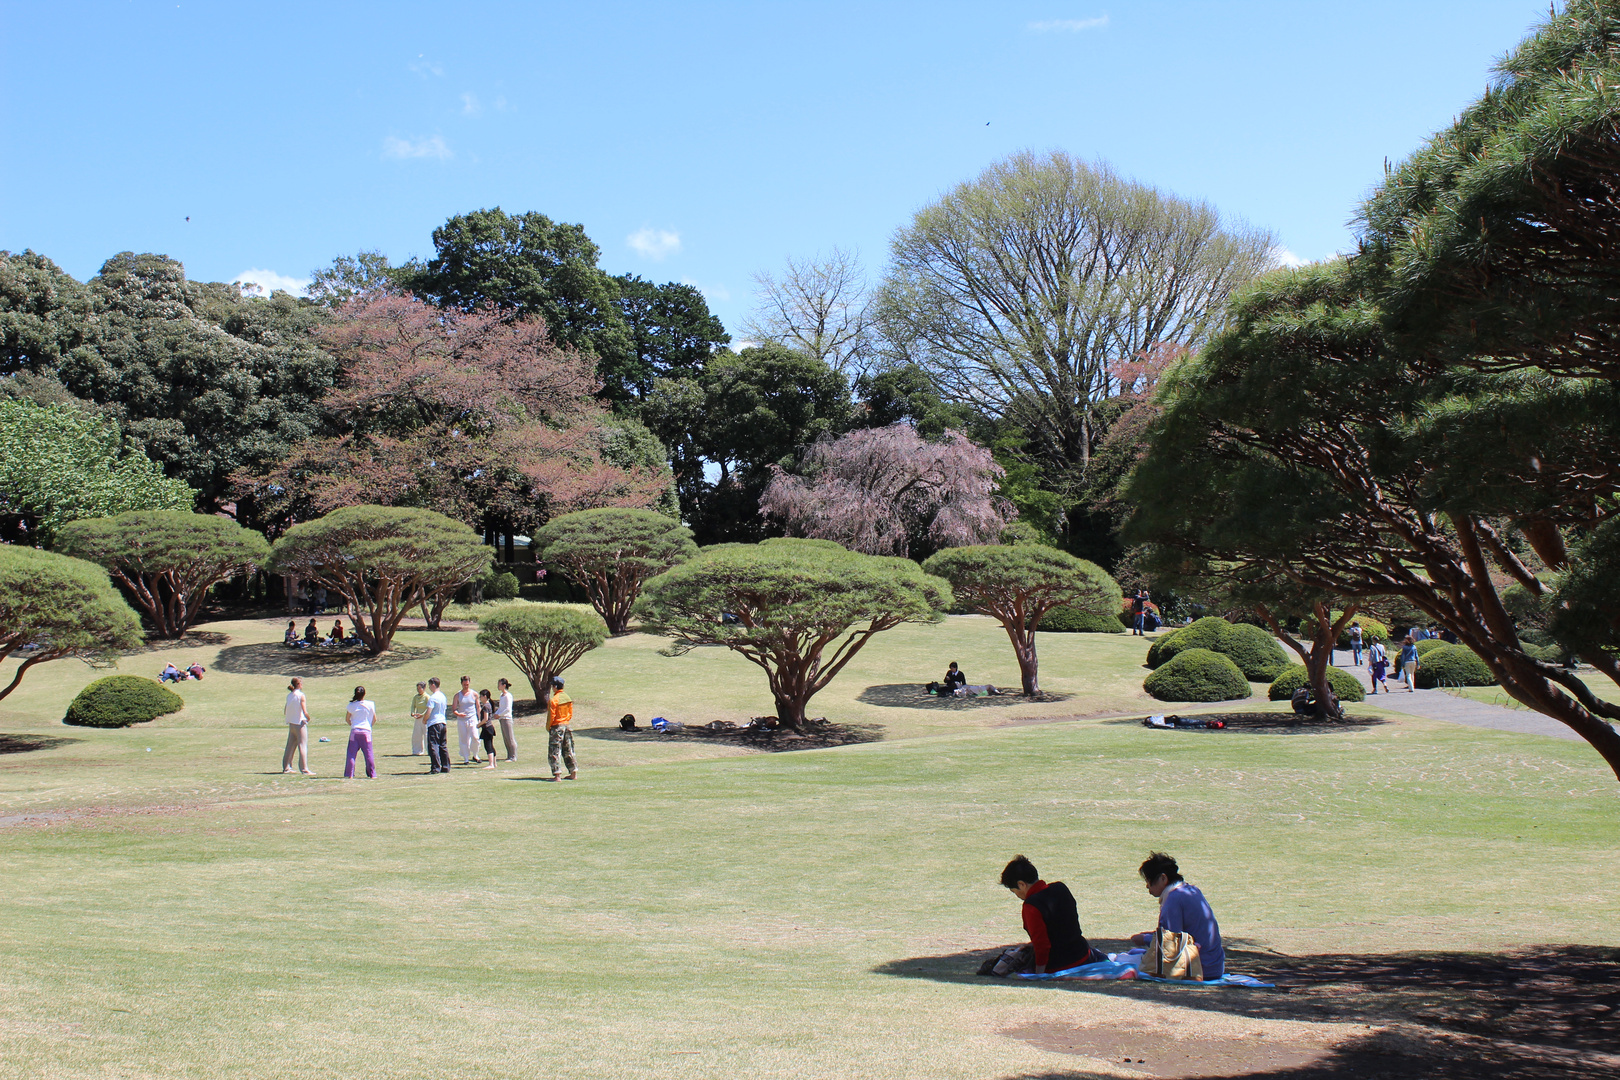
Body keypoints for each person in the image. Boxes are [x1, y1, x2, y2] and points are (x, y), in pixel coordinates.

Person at [994, 855, 1104, 975]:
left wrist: (1039, 973)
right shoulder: (1061, 888)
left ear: (1021, 885)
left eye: (1014, 892)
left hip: (1060, 964)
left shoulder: (1031, 906)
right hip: (1083, 955)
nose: (1017, 896)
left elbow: (1042, 944)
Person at [1130, 852, 1225, 981]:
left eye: (1149, 881)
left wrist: (1144, 939)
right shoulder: (1191, 890)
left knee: (1130, 961)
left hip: (1199, 969)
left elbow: (1170, 942)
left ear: (1163, 878)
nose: (1147, 886)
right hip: (1215, 967)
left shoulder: (1174, 898)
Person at [343, 685, 378, 780]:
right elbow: (374, 718)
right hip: (366, 731)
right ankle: (372, 774)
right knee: (369, 753)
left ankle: (349, 774)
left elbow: (347, 719)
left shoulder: (351, 705)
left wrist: (353, 725)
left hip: (355, 731)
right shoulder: (370, 704)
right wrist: (368, 727)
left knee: (351, 754)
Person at [546, 676, 576, 781]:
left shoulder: (554, 700)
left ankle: (557, 774)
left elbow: (551, 716)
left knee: (554, 751)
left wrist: (548, 727)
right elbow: (570, 713)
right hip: (567, 725)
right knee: (568, 749)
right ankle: (573, 772)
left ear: (555, 686)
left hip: (557, 726)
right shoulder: (568, 698)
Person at [282, 677, 313, 775]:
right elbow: (304, 711)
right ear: (299, 684)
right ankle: (304, 769)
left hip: (291, 723)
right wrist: (308, 718)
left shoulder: (289, 695)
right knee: (302, 745)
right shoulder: (301, 695)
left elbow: (285, 710)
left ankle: (286, 767)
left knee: (290, 745)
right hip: (299, 723)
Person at [424, 677, 450, 775]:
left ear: (433, 685)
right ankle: (445, 766)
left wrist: (424, 719)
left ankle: (435, 767)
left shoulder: (433, 698)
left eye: (430, 685)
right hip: (442, 722)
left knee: (433, 745)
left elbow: (429, 711)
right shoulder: (443, 696)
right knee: (442, 745)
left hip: (434, 723)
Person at [452, 675, 481, 765]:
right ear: (461, 684)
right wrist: (458, 714)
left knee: (475, 737)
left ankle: (475, 755)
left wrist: (480, 719)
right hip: (462, 720)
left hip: (472, 718)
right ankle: (466, 758)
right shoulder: (457, 695)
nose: (466, 686)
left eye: (467, 684)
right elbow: (454, 709)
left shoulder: (474, 694)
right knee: (464, 739)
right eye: (464, 684)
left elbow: (478, 707)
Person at [495, 678, 517, 762]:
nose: (498, 686)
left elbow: (508, 709)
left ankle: (513, 756)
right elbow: (501, 708)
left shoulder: (508, 695)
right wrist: (496, 714)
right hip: (502, 719)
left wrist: (499, 714)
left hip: (507, 718)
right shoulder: (502, 696)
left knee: (510, 737)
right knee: (505, 738)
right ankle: (509, 755)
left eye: (499, 684)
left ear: (504, 685)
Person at [477, 689, 497, 770]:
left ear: (485, 697)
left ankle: (491, 764)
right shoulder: (488, 705)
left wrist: (478, 725)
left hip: (487, 728)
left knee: (488, 746)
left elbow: (485, 719)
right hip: (489, 728)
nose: (480, 698)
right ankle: (494, 763)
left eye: (481, 696)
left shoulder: (486, 706)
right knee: (491, 745)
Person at [409, 682, 429, 756]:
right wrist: (412, 713)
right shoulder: (415, 697)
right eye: (417, 688)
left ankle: (430, 750)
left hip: (425, 718)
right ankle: (417, 750)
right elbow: (413, 706)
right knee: (416, 734)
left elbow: (429, 708)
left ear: (424, 688)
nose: (418, 690)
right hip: (417, 718)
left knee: (427, 734)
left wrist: (423, 714)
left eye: (420, 688)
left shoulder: (427, 697)